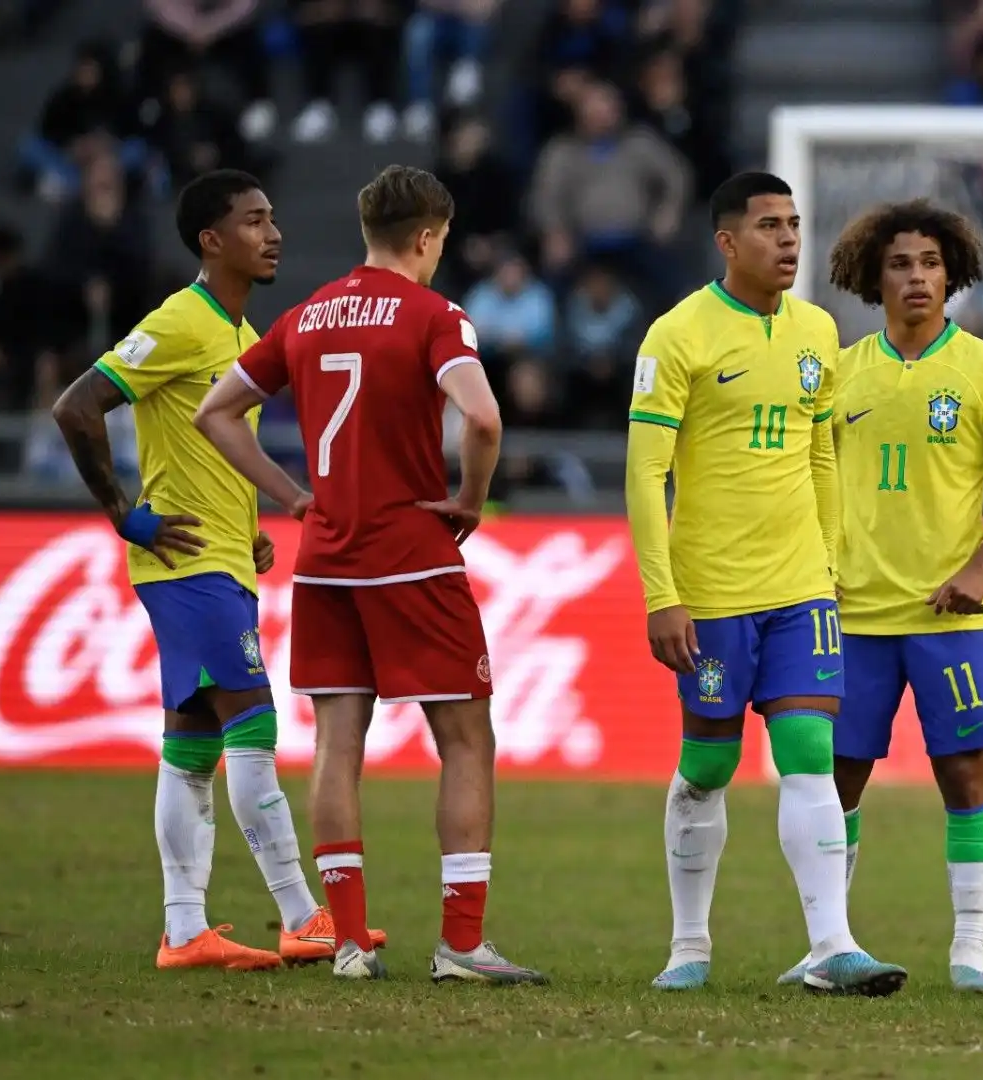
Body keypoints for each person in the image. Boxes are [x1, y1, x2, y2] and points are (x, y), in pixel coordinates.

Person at [192, 165, 545, 986]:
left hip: (325, 566)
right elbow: (484, 416)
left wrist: (290, 496)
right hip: (411, 557)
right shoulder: (434, 316)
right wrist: (470, 499)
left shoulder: (307, 314)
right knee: (464, 740)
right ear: (427, 236)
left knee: (335, 748)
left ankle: (347, 942)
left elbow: (216, 412)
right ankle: (461, 944)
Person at [48, 169, 384, 971]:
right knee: (254, 730)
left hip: (223, 558)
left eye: (273, 219)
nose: (274, 234)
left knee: (191, 747)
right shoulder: (179, 323)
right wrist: (124, 513)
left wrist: (250, 524)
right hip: (185, 565)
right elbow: (76, 405)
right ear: (212, 239)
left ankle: (183, 930)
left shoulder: (238, 337)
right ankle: (303, 915)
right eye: (255, 221)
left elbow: (205, 444)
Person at [625, 171, 906, 996]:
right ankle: (688, 944)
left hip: (801, 589)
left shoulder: (819, 330)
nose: (789, 241)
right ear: (727, 242)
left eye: (794, 225)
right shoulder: (678, 336)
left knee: (810, 753)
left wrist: (829, 560)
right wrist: (660, 593)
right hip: (710, 593)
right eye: (770, 227)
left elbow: (821, 454)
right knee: (707, 766)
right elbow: (646, 475)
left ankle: (832, 946)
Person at [773, 199, 983, 993]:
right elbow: (799, 475)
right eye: (900, 264)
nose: (917, 277)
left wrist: (981, 569)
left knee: (966, 777)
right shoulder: (839, 372)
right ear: (874, 276)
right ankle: (831, 943)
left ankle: (970, 950)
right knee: (836, 784)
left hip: (946, 617)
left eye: (930, 263)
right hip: (849, 615)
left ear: (952, 272)